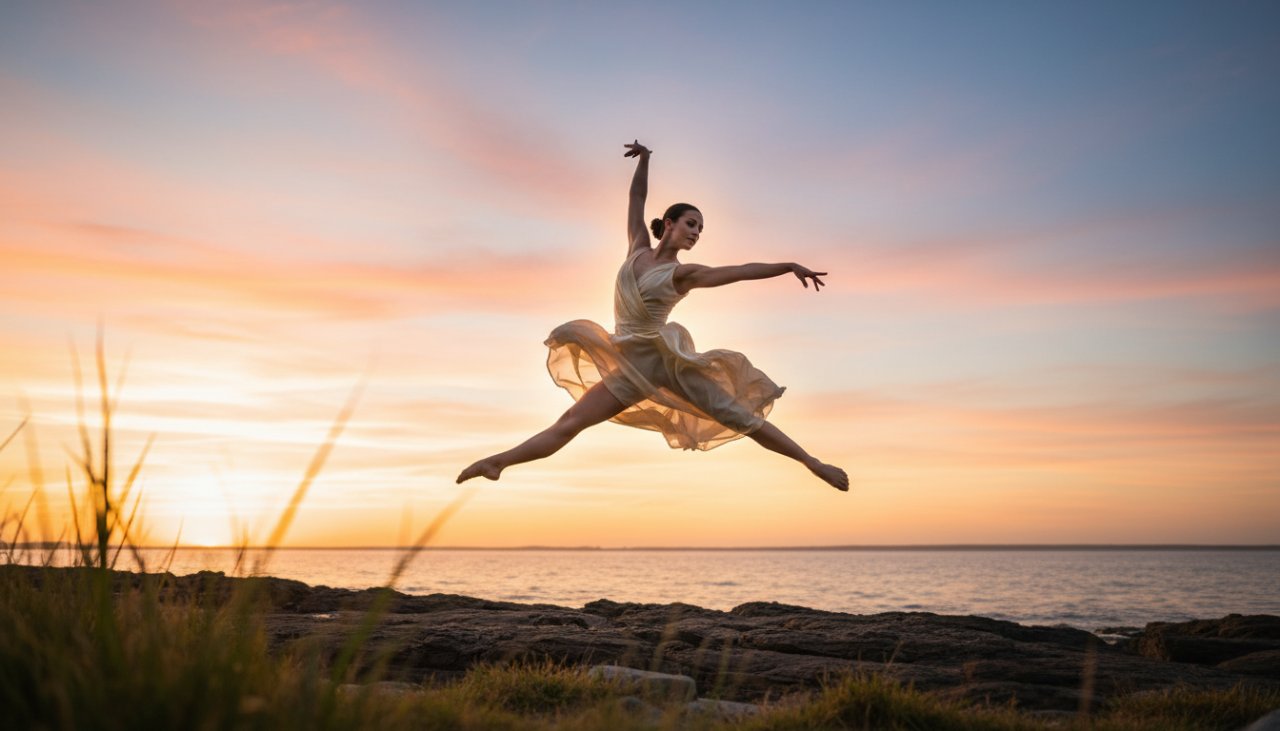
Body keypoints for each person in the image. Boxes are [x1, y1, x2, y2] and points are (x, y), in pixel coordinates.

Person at [457, 141, 848, 491]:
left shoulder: (684, 274)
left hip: (664, 363)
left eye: (701, 229)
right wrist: (645, 159)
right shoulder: (637, 249)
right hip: (627, 366)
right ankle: (497, 463)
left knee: (740, 418)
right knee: (569, 423)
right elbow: (636, 200)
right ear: (670, 224)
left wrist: (788, 266)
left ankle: (811, 462)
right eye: (690, 224)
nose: (695, 233)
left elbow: (741, 270)